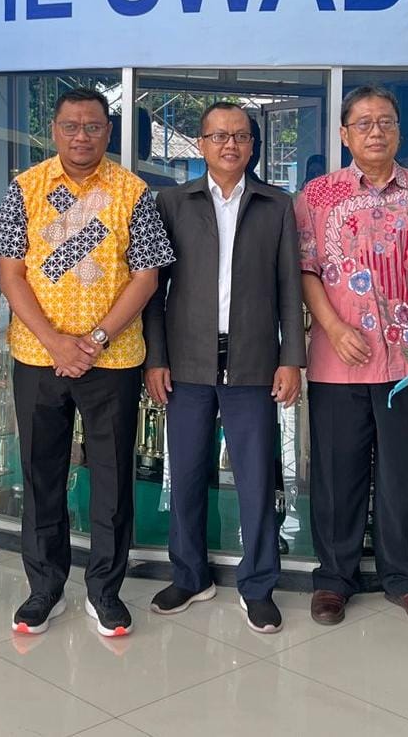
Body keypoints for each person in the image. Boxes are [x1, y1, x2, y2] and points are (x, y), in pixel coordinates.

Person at [0, 86, 174, 637]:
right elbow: (10, 275)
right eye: (70, 126)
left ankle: (104, 591)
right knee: (40, 473)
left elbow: (147, 277)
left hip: (111, 359)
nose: (81, 136)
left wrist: (92, 339)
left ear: (108, 132)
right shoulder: (25, 188)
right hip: (38, 357)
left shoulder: (133, 192)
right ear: (54, 130)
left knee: (111, 479)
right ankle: (44, 588)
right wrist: (54, 342)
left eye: (93, 126)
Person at [295, 85, 408, 627]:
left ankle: (407, 580)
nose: (375, 131)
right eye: (364, 123)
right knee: (336, 475)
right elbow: (305, 271)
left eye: (385, 122)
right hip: (338, 361)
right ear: (344, 134)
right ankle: (334, 580)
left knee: (405, 473)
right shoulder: (317, 196)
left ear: (399, 131)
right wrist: (333, 327)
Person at [143, 102, 306, 633]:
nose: (229, 144)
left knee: (257, 480)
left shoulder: (276, 205)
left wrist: (291, 359)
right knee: (186, 475)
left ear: (252, 145)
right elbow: (154, 291)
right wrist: (156, 358)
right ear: (202, 143)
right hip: (186, 365)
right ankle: (190, 576)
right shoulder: (172, 202)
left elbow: (290, 288)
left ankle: (257, 585)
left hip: (253, 364)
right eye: (218, 136)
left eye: (239, 136)